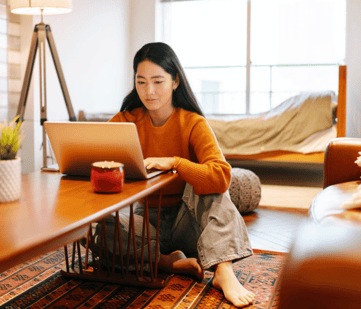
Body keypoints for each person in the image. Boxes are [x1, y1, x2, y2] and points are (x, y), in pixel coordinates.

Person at [102, 42, 255, 307]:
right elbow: (97, 155)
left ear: (175, 81)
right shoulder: (126, 120)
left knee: (213, 190)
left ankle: (223, 271)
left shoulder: (193, 122)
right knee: (94, 228)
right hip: (146, 223)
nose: (149, 91)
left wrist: (176, 163)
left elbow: (221, 176)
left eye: (158, 81)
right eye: (141, 82)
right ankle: (164, 261)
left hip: (190, 225)